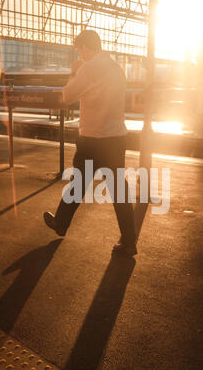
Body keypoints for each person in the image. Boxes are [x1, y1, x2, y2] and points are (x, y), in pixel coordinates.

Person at [43, 30, 137, 256]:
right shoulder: (116, 68)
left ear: (86, 47)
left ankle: (61, 224)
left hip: (93, 139)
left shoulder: (89, 68)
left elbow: (67, 95)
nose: (79, 54)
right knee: (118, 190)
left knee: (79, 183)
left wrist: (74, 73)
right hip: (115, 138)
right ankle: (129, 241)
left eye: (79, 50)